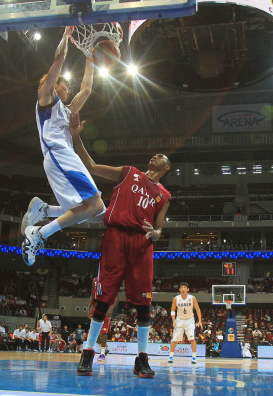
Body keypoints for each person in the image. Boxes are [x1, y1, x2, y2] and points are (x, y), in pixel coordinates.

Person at [70, 113, 171, 379]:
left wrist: (157, 233)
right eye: (153, 154)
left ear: (166, 167)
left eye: (160, 156)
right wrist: (75, 135)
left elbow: (159, 228)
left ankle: (141, 359)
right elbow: (91, 165)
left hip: (141, 244)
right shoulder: (129, 173)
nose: (154, 156)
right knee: (103, 299)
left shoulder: (164, 195)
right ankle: (88, 352)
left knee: (144, 305)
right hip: (115, 238)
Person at [21, 26, 108, 266]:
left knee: (97, 215)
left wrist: (90, 56)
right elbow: (59, 59)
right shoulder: (46, 99)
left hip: (64, 158)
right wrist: (65, 36)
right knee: (96, 206)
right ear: (52, 85)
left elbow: (87, 89)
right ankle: (39, 233)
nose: (69, 89)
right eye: (65, 85)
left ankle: (44, 210)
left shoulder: (68, 111)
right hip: (58, 155)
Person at [168, 282, 203, 364]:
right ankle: (170, 356)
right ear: (179, 289)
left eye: (185, 287)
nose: (183, 289)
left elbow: (197, 309)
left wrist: (200, 320)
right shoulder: (176, 299)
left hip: (190, 320)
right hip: (179, 320)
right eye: (182, 287)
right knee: (174, 340)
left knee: (192, 339)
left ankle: (194, 357)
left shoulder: (192, 298)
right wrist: (173, 321)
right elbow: (173, 310)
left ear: (188, 289)